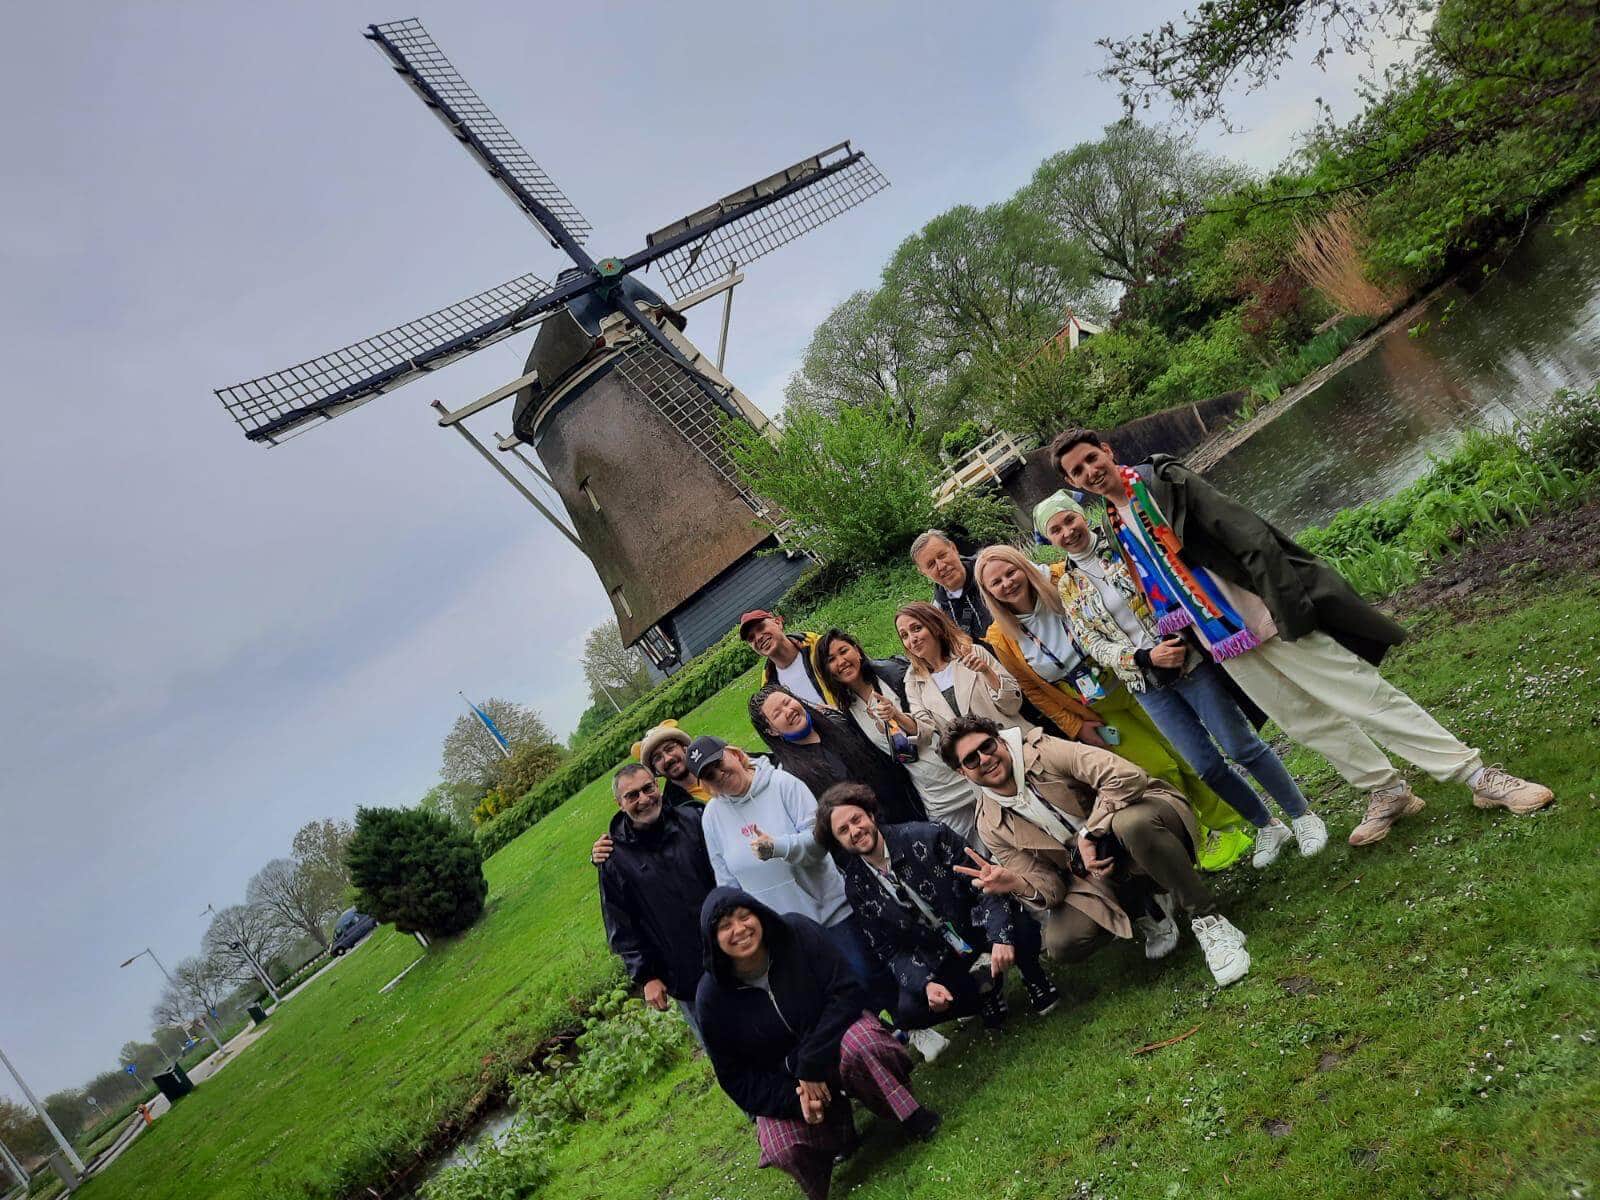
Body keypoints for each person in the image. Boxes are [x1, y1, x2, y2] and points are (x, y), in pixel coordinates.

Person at [1049, 429, 1554, 845]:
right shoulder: (1114, 522)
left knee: (1360, 693)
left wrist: (1285, 606)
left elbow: (1248, 535)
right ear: (1075, 484)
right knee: (1302, 720)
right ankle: (1385, 789)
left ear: (1108, 453)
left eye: (1092, 458)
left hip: (1259, 612)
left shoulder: (1164, 481)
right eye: (1078, 471)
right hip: (1222, 639)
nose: (1090, 471)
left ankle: (1476, 775)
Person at [1033, 490, 1326, 868]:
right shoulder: (1067, 586)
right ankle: (1267, 824)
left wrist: (1173, 640)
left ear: (1081, 516)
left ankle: (1301, 814)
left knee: (1240, 746)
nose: (1067, 532)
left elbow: (1167, 586)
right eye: (1055, 530)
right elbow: (1090, 641)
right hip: (1144, 683)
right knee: (1205, 766)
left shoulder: (1122, 548)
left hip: (1184, 660)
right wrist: (1139, 657)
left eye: (1069, 520)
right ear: (1049, 539)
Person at [972, 544, 1255, 871]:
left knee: (1187, 754)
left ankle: (1229, 821)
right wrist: (1076, 727)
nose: (1007, 583)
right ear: (989, 593)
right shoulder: (999, 636)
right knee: (1157, 768)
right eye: (996, 582)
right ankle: (1199, 834)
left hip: (1132, 679)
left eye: (1011, 572)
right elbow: (1035, 689)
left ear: (1025, 567)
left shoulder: (1062, 581)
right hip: (1095, 706)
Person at [940, 715, 1251, 987]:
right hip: (1091, 871)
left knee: (1133, 825)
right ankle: (1147, 907)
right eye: (971, 760)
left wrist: (1092, 832)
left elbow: (1126, 775)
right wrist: (1018, 884)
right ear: (961, 773)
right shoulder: (989, 823)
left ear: (1000, 741)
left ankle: (1210, 921)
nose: (984, 759)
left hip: (1138, 816)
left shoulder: (1043, 751)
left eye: (987, 746)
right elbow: (1053, 888)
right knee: (1062, 942)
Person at [688, 734, 937, 1056]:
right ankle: (883, 1045)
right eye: (708, 775)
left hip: (828, 910)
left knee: (867, 974)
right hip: (784, 929)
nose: (718, 774)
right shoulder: (712, 817)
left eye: (719, 764)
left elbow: (819, 843)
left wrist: (779, 847)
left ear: (735, 754)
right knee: (835, 995)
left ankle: (916, 1026)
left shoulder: (783, 785)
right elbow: (726, 878)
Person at [695, 888, 941, 1200]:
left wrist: (808, 1063)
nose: (740, 929)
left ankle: (910, 1114)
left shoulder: (797, 932)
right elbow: (735, 1077)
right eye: (725, 926)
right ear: (712, 939)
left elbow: (848, 992)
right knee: (780, 1146)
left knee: (865, 1044)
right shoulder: (712, 999)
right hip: (790, 1085)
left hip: (834, 1043)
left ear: (759, 914)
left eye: (745, 916)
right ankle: (835, 1141)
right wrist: (792, 1098)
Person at [814, 782, 1060, 1029]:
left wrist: (1001, 938)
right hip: (939, 952)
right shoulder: (856, 886)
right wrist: (925, 984)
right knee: (910, 1011)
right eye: (843, 830)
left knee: (1018, 927)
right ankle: (982, 994)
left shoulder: (928, 835)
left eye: (856, 819)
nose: (854, 831)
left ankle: (1033, 974)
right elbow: (888, 949)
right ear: (838, 842)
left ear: (870, 813)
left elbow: (988, 887)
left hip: (976, 924)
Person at [813, 629, 981, 842]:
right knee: (965, 850)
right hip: (933, 792)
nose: (841, 661)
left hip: (961, 767)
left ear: (857, 650)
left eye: (844, 651)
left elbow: (930, 723)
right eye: (831, 659)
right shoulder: (849, 709)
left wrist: (896, 716)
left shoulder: (893, 674)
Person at [596, 764, 717, 1043]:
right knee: (726, 1054)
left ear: (658, 786)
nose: (644, 799)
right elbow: (621, 927)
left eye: (648, 788)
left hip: (733, 949)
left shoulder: (692, 820)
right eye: (632, 795)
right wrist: (647, 976)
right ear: (619, 803)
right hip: (683, 973)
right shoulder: (613, 858)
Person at [748, 684, 926, 826]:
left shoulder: (838, 722)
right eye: (777, 714)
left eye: (787, 702)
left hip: (911, 812)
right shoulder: (793, 776)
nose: (789, 711)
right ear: (771, 731)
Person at [896, 601, 1030, 733]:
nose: (912, 639)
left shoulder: (974, 653)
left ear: (935, 626)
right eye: (904, 635)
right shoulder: (913, 681)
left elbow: (1012, 705)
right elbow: (926, 734)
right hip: (971, 754)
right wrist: (896, 715)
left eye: (917, 628)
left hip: (1013, 743)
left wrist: (986, 671)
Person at [591, 718, 710, 865]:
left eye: (669, 748)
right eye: (657, 758)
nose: (667, 759)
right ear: (655, 771)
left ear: (684, 747)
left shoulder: (717, 768)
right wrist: (599, 853)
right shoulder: (667, 808)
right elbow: (641, 837)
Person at [740, 609, 836, 708]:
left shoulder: (823, 648)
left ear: (778, 622)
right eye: (751, 638)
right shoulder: (770, 688)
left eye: (761, 628)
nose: (758, 638)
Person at [910, 529, 995, 640]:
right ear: (923, 572)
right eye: (931, 564)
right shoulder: (938, 613)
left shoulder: (992, 573)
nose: (941, 566)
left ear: (954, 548)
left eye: (942, 555)